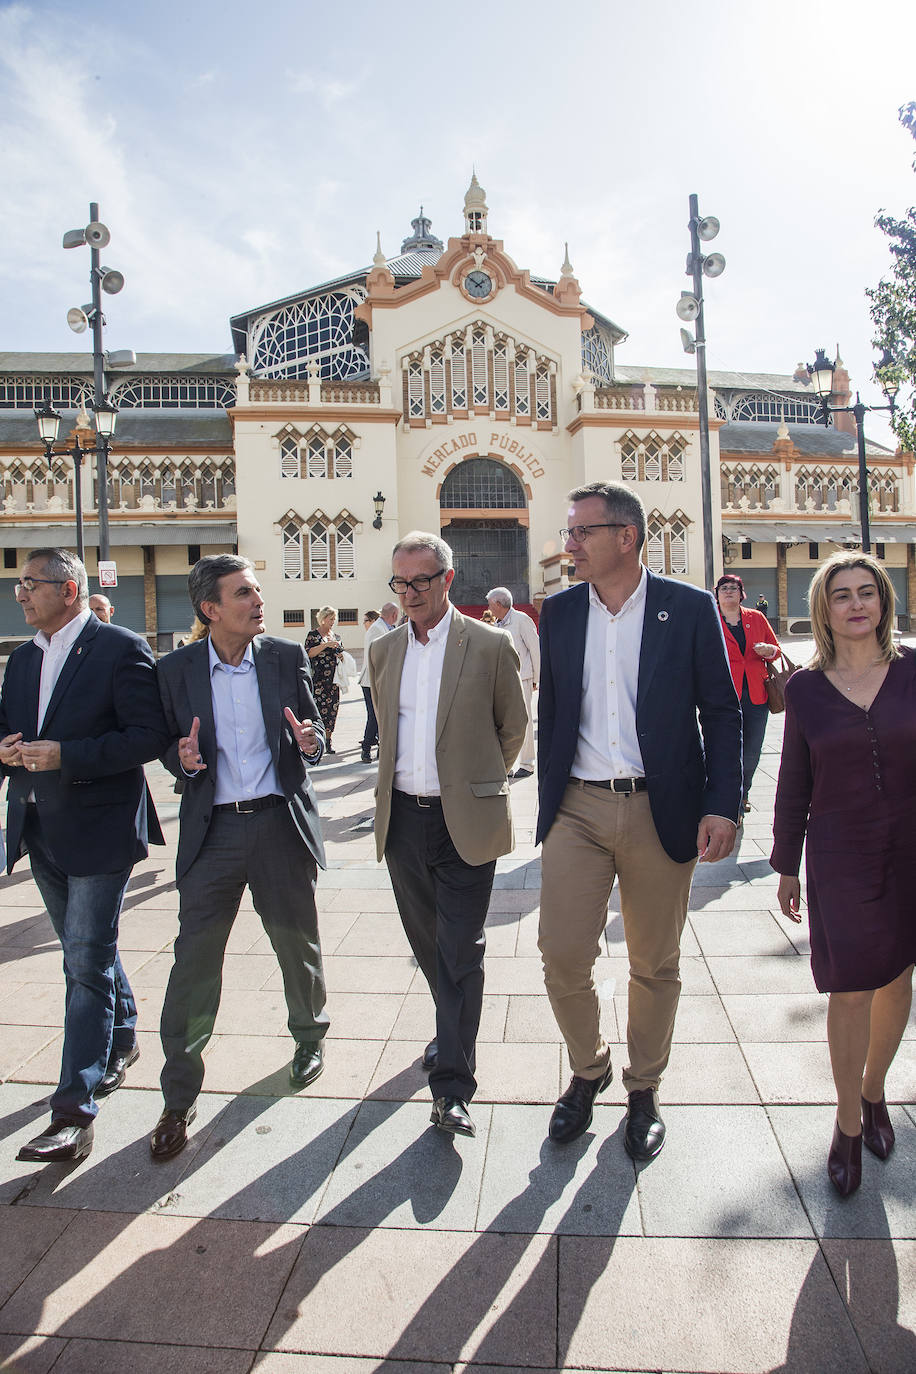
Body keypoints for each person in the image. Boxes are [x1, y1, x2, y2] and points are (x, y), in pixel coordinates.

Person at [537, 482, 741, 1159]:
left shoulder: (686, 608)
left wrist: (722, 803)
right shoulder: (560, 611)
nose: (569, 546)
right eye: (570, 533)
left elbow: (721, 709)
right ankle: (588, 1070)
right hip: (578, 805)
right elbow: (557, 710)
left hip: (664, 806)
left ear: (625, 537)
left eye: (581, 533)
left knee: (655, 961)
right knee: (563, 952)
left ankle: (644, 1088)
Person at [150, 555, 329, 1160]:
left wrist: (310, 739)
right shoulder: (174, 670)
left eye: (257, 591)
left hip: (279, 823)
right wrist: (183, 760)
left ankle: (309, 1038)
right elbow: (170, 750)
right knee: (195, 959)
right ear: (210, 609)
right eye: (244, 594)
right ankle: (178, 1091)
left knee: (295, 941)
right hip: (214, 834)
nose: (258, 602)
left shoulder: (284, 657)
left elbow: (312, 728)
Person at [0, 548, 168, 1163]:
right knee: (85, 950)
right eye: (18, 585)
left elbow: (147, 737)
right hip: (38, 826)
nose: (20, 595)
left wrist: (66, 755)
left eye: (31, 585)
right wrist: (8, 749)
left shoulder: (119, 648)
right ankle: (122, 1035)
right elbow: (4, 727)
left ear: (69, 590)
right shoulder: (21, 659)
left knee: (84, 964)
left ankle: (74, 1110)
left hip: (98, 829)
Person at [369, 531, 528, 1138]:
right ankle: (452, 1027)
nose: (409, 593)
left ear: (447, 580)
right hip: (403, 821)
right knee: (430, 945)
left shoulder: (487, 644)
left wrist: (473, 780)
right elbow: (388, 731)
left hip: (465, 819)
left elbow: (511, 728)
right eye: (400, 583)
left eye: (420, 581)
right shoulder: (384, 651)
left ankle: (453, 1086)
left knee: (461, 950)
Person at [771, 551, 915, 1197]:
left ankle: (876, 1090)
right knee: (850, 985)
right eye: (841, 596)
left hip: (912, 844)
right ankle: (848, 1121)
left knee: (897, 975)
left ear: (884, 601)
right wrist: (785, 864)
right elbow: (795, 780)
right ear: (823, 610)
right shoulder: (804, 687)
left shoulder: (915, 672)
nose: (857, 605)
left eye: (867, 593)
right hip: (839, 850)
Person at [714, 573, 780, 814]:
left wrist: (768, 650)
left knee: (751, 751)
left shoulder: (756, 618)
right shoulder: (710, 618)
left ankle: (743, 795)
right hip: (722, 695)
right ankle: (724, 796)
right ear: (717, 594)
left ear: (742, 594)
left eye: (733, 588)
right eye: (724, 588)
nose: (729, 591)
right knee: (723, 748)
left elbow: (776, 651)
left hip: (755, 695)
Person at [486, 587, 540, 779]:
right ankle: (507, 764)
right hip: (502, 681)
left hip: (522, 678)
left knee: (523, 722)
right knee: (503, 723)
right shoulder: (497, 624)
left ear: (499, 605)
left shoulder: (522, 620)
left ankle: (527, 764)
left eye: (491, 605)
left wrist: (536, 679)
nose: (489, 609)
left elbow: (536, 649)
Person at [358, 601, 399, 762]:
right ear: (394, 615)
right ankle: (366, 748)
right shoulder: (377, 629)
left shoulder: (386, 627)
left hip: (381, 680)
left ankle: (382, 749)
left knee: (383, 715)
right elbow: (375, 657)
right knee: (375, 716)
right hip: (372, 681)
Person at [305, 606, 344, 754]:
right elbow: (308, 653)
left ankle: (328, 742)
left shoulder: (336, 636)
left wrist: (340, 655)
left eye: (334, 619)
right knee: (317, 711)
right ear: (322, 619)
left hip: (333, 681)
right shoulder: (313, 635)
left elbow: (342, 654)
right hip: (318, 680)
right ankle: (316, 740)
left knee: (332, 711)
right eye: (330, 618)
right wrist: (326, 645)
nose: (333, 621)